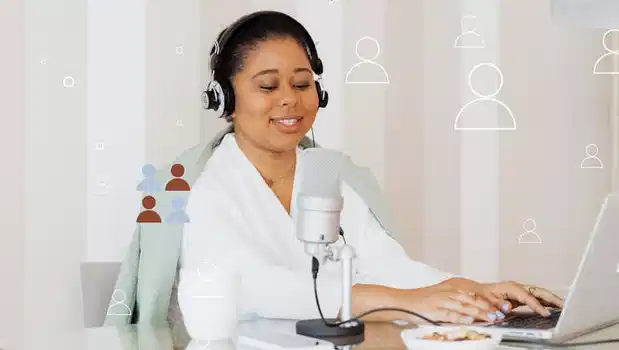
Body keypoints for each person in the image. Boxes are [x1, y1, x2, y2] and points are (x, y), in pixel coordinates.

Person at [178, 11, 563, 330]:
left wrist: (476, 290)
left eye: (302, 84)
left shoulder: (325, 171)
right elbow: (256, 289)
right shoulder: (206, 189)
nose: (290, 99)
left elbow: (387, 265)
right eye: (267, 86)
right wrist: (406, 303)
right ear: (224, 99)